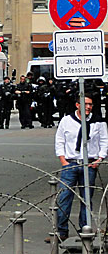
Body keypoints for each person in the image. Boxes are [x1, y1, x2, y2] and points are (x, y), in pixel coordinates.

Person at [53, 95, 108, 242]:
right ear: (77, 105)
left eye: (91, 104)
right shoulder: (66, 121)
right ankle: (61, 231)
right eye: (85, 104)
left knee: (86, 199)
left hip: (89, 164)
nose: (88, 107)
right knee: (64, 197)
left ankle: (85, 229)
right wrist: (63, 160)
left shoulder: (98, 122)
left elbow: (104, 141)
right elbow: (60, 141)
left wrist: (100, 159)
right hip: (70, 163)